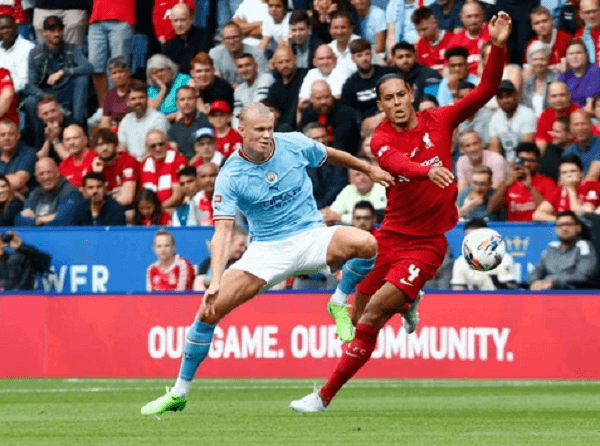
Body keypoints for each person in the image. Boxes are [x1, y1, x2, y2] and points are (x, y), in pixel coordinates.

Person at [289, 11, 511, 412]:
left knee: (372, 315)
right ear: (381, 105)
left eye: (400, 95)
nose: (395, 103)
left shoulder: (439, 120)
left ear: (410, 94)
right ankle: (408, 303)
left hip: (427, 244)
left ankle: (323, 397)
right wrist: (427, 170)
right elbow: (396, 164)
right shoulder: (382, 138)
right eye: (387, 99)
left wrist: (497, 45)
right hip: (390, 237)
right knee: (358, 317)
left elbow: (487, 90)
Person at [140, 101, 395, 415]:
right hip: (266, 251)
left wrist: (368, 168)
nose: (266, 136)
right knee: (207, 312)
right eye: (258, 130)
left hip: (310, 235)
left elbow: (331, 156)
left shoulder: (293, 144)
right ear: (241, 131)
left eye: (270, 129)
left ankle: (339, 300)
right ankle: (179, 392)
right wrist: (216, 279)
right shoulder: (231, 175)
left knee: (367, 243)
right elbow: (222, 231)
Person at [24, 16, 93, 126]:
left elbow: (89, 67)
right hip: (46, 93)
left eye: (59, 30)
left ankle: (77, 123)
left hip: (66, 90)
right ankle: (39, 139)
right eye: (52, 30)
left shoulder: (71, 48)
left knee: (82, 79)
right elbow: (31, 85)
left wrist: (63, 72)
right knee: (29, 101)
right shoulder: (35, 53)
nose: (56, 34)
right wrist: (44, 96)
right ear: (44, 32)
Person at [527, 210, 599, 289]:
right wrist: (535, 282)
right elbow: (535, 273)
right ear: (556, 229)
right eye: (560, 225)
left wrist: (553, 282)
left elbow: (583, 276)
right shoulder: (552, 248)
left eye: (568, 224)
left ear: (578, 228)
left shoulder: (584, 246)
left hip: (575, 296)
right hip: (549, 295)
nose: (564, 228)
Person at [488, 142, 557, 221]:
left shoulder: (547, 182)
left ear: (538, 163)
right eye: (523, 160)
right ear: (516, 161)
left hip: (539, 229)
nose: (527, 164)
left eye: (531, 160)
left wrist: (530, 187)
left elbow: (549, 212)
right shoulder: (509, 182)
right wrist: (506, 185)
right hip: (514, 231)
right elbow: (492, 208)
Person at [87, 0, 136, 110]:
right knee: (95, 66)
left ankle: (118, 109)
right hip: (97, 18)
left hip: (122, 17)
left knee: (119, 68)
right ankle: (104, 109)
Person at [14, 157, 83, 226]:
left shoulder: (70, 191)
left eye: (49, 172)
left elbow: (62, 220)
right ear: (36, 177)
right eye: (41, 174)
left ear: (58, 172)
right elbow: (18, 221)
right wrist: (41, 220)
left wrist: (33, 219)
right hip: (37, 235)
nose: (46, 177)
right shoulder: (35, 193)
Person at [451, 218, 517, 290]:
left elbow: (508, 290)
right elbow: (457, 291)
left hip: (498, 299)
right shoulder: (461, 262)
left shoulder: (503, 258)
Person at [299, 80, 361, 155]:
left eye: (327, 97)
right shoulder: (307, 113)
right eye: (319, 98)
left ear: (332, 95)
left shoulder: (345, 112)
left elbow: (341, 143)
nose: (323, 101)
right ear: (311, 99)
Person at [533, 154, 600, 220]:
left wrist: (571, 189)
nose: (569, 175)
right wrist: (561, 221)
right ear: (560, 177)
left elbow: (582, 215)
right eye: (564, 172)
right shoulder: (559, 190)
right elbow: (537, 215)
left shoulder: (592, 186)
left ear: (581, 173)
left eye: (573, 171)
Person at [340, 38, 395, 120]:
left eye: (367, 54)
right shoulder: (349, 86)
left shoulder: (387, 74)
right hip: (368, 124)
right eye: (359, 55)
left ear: (372, 55)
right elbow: (353, 115)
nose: (364, 58)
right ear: (353, 59)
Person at [118, 80, 170, 160]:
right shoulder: (125, 120)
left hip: (153, 162)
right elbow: (122, 147)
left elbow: (157, 149)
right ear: (128, 102)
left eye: (141, 97)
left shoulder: (158, 118)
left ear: (147, 99)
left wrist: (139, 165)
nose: (137, 101)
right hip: (131, 165)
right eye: (133, 99)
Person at [303, 121, 348, 209]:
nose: (321, 141)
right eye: (316, 138)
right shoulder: (300, 161)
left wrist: (322, 208)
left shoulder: (339, 157)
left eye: (323, 136)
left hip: (336, 207)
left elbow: (339, 185)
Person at [488, 80, 537, 162]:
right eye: (501, 97)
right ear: (497, 100)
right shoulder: (495, 119)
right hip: (505, 166)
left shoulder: (527, 114)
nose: (505, 100)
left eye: (508, 95)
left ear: (516, 95)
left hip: (525, 163)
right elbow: (495, 153)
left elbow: (527, 150)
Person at [208, 21, 269, 87]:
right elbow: (213, 80)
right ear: (222, 40)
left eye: (235, 37)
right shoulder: (214, 53)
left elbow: (264, 80)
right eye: (228, 38)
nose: (232, 41)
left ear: (242, 37)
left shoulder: (257, 53)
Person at [139, 129, 188, 210]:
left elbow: (177, 196)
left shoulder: (178, 160)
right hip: (150, 211)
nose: (158, 148)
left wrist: (157, 210)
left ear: (167, 143)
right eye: (153, 146)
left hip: (172, 208)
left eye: (161, 144)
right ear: (147, 148)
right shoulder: (144, 164)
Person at [89, 128, 139, 207]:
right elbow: (89, 198)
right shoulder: (93, 165)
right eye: (100, 145)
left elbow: (127, 198)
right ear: (94, 148)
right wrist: (97, 175)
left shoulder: (127, 160)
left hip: (127, 209)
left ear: (115, 144)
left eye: (108, 143)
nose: (105, 147)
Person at [321, 167, 387, 225]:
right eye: (357, 174)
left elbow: (377, 216)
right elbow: (332, 213)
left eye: (366, 174)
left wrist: (341, 218)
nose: (362, 178)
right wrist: (327, 216)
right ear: (351, 179)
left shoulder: (382, 188)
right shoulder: (348, 190)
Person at [194, 225, 248, 291]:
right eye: (241, 245)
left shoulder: (241, 264)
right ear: (227, 243)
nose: (243, 249)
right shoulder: (207, 263)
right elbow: (198, 287)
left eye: (245, 245)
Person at [162, 3, 212, 75]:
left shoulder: (204, 36)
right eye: (176, 20)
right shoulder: (169, 46)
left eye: (183, 20)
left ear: (191, 19)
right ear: (172, 23)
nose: (179, 24)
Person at [266, 45, 308, 129]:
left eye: (288, 61)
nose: (285, 65)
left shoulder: (306, 77)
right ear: (275, 65)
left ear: (295, 59)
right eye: (280, 62)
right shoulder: (274, 88)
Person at [535, 81, 580, 155]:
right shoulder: (545, 116)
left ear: (569, 96)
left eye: (562, 95)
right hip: (552, 154)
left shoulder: (578, 113)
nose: (558, 99)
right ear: (548, 99)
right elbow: (541, 144)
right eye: (554, 96)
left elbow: (581, 144)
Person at [391, 41, 442, 107]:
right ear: (393, 59)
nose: (405, 60)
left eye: (408, 56)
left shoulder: (429, 74)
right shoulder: (389, 77)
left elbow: (432, 100)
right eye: (400, 57)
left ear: (415, 56)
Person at [447, 1, 491, 74]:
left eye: (476, 16)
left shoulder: (493, 32)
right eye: (469, 17)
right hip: (464, 79)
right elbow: (448, 67)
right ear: (461, 18)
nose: (473, 20)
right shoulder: (455, 40)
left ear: (483, 16)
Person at [167, 85, 210, 159]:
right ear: (177, 104)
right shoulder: (173, 129)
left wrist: (189, 165)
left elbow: (206, 149)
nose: (186, 102)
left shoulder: (206, 121)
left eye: (190, 98)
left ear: (196, 101)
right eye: (182, 99)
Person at [524, 6, 570, 74]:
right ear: (533, 27)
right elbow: (527, 73)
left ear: (552, 21)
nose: (541, 25)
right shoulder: (531, 45)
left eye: (544, 21)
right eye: (537, 23)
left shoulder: (567, 38)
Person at [520, 41, 560, 118]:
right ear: (530, 62)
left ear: (548, 60)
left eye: (542, 59)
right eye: (535, 59)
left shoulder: (557, 79)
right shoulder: (527, 82)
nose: (539, 62)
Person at [558, 38, 600, 110]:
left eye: (579, 53)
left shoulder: (595, 72)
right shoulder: (564, 76)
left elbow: (589, 108)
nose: (575, 57)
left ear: (586, 55)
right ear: (566, 57)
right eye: (571, 54)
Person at [32, 94, 75, 162]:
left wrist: (55, 139)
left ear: (59, 108)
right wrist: (48, 139)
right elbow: (40, 158)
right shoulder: (40, 126)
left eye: (53, 111)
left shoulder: (72, 125)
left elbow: (72, 160)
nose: (50, 116)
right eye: (45, 114)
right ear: (39, 115)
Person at [412, 6, 455, 73]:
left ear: (435, 23)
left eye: (424, 29)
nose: (421, 34)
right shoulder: (421, 43)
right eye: (418, 30)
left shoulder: (452, 39)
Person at [232, 53, 274, 122]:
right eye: (240, 66)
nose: (244, 70)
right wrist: (238, 132)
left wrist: (242, 114)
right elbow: (236, 115)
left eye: (247, 65)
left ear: (256, 66)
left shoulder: (266, 78)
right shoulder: (238, 90)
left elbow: (257, 105)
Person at [0, 12, 35, 95]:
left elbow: (23, 82)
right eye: (1, 28)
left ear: (16, 28)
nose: (5, 31)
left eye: (8, 27)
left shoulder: (28, 48)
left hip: (18, 95)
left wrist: (4, 91)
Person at [0, 119, 36, 195]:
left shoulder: (28, 153)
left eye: (11, 134)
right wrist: (12, 189)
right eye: (2, 135)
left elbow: (18, 182)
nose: (6, 138)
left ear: (18, 136)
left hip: (22, 204)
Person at [563, 109, 600, 178]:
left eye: (583, 123)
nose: (580, 128)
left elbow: (592, 178)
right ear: (570, 128)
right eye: (576, 125)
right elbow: (563, 181)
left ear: (591, 125)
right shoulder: (568, 152)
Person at [98, 56, 132, 129]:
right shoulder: (110, 94)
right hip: (118, 129)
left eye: (121, 71)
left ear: (128, 73)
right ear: (110, 77)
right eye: (114, 73)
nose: (118, 76)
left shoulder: (136, 88)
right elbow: (106, 120)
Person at [58, 123, 96, 188]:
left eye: (75, 138)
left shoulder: (96, 158)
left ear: (85, 140)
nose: (71, 142)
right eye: (67, 140)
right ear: (63, 144)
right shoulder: (63, 166)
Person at [538, 115, 572, 182]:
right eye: (553, 131)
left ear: (570, 134)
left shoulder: (574, 153)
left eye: (557, 132)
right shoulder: (549, 149)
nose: (553, 134)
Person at [328, 10, 360, 79]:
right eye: (335, 28)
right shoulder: (328, 49)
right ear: (330, 30)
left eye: (343, 27)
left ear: (351, 28)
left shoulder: (362, 46)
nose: (339, 32)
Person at [574, 0, 600, 65]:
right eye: (587, 12)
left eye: (594, 11)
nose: (591, 16)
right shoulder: (579, 36)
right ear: (581, 15)